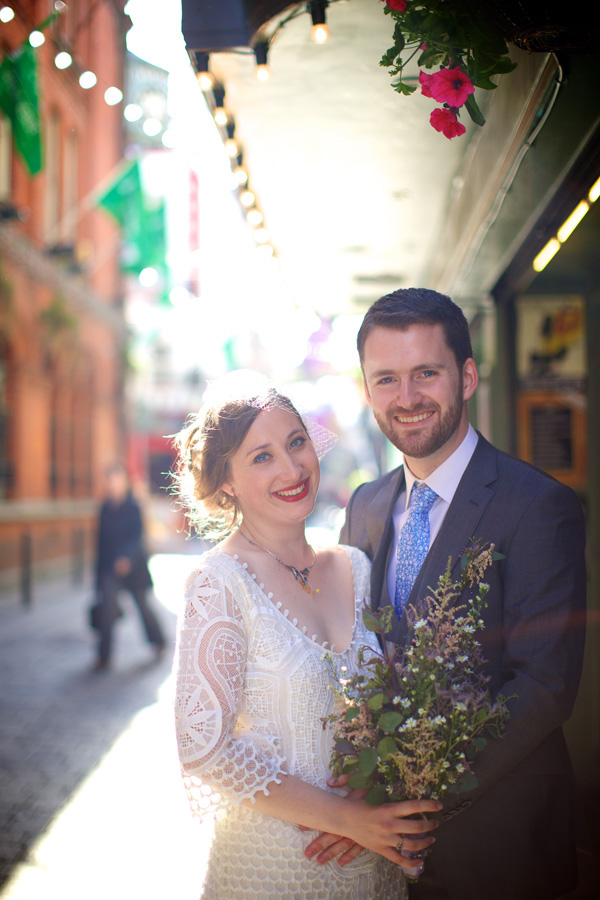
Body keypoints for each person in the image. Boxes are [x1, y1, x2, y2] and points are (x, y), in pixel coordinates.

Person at [307, 288, 587, 900]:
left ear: (466, 376)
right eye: (386, 379)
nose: (406, 398)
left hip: (500, 846)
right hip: (378, 855)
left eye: (425, 373)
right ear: (367, 388)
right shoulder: (366, 505)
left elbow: (545, 687)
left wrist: (414, 793)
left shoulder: (540, 507)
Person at [171, 373, 441, 900]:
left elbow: (393, 707)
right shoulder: (219, 583)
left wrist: (382, 784)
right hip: (272, 869)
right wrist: (345, 818)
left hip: (372, 870)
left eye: (296, 443)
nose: (292, 469)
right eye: (261, 457)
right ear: (226, 481)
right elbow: (203, 748)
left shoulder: (355, 567)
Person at [93, 461, 166, 669]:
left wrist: (125, 557)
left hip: (133, 568)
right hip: (109, 568)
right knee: (106, 610)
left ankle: (158, 642)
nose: (113, 484)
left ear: (124, 481)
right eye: (110, 480)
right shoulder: (105, 508)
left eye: (116, 479)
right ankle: (103, 656)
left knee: (143, 606)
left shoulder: (133, 506)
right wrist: (97, 576)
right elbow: (100, 542)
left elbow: (136, 537)